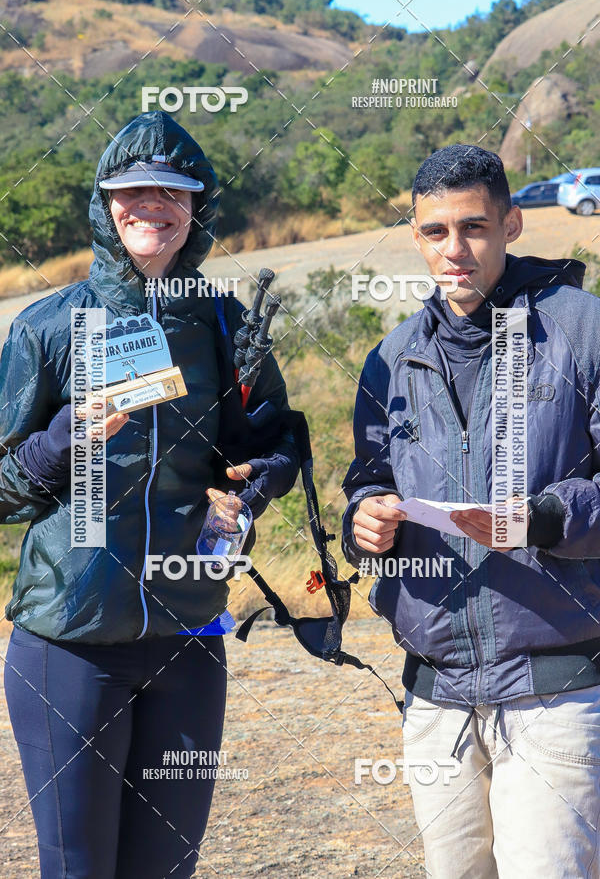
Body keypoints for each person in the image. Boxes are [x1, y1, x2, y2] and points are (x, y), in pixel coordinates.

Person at [1, 110, 299, 878]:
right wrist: (60, 441)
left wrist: (254, 486)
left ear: (198, 206)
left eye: (172, 190)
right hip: (69, 642)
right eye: (131, 190)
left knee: (168, 870)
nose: (151, 204)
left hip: (189, 640)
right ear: (105, 204)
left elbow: (275, 443)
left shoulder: (227, 326)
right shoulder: (49, 328)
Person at [342, 144, 600, 878]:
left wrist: (543, 518)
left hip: (555, 693)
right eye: (435, 232)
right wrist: (365, 521)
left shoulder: (583, 330)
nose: (454, 250)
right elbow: (368, 478)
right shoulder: (392, 358)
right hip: (437, 699)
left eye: (474, 228)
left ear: (511, 224)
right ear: (416, 236)